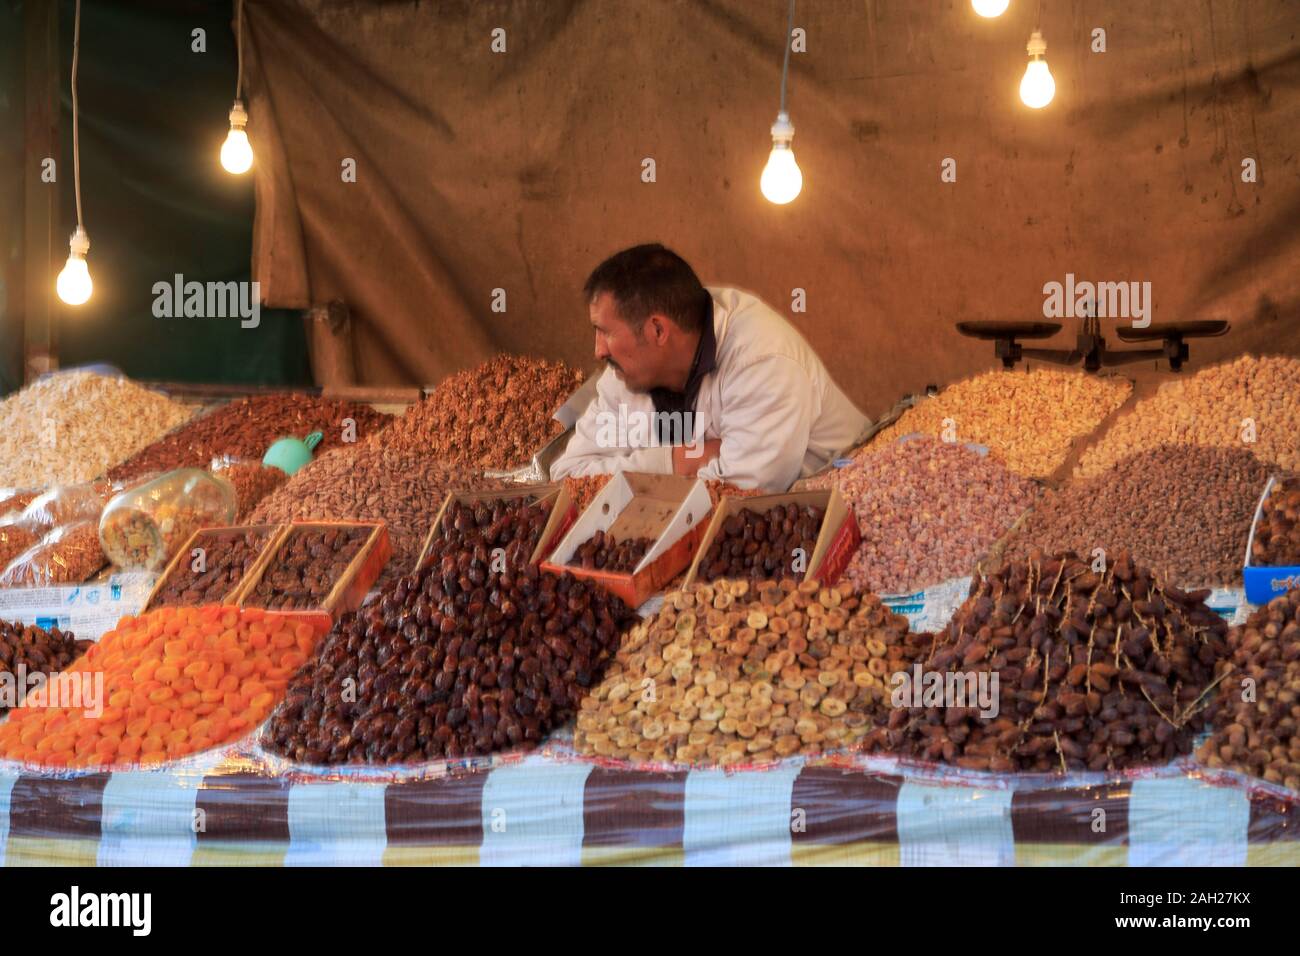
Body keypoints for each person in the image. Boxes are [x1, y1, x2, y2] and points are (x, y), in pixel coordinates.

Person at [549, 243, 869, 491]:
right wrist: (683, 459)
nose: (597, 349)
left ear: (657, 330)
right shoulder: (626, 375)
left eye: (605, 331)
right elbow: (568, 476)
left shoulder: (762, 360)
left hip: (846, 507)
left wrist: (637, 471)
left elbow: (739, 495)